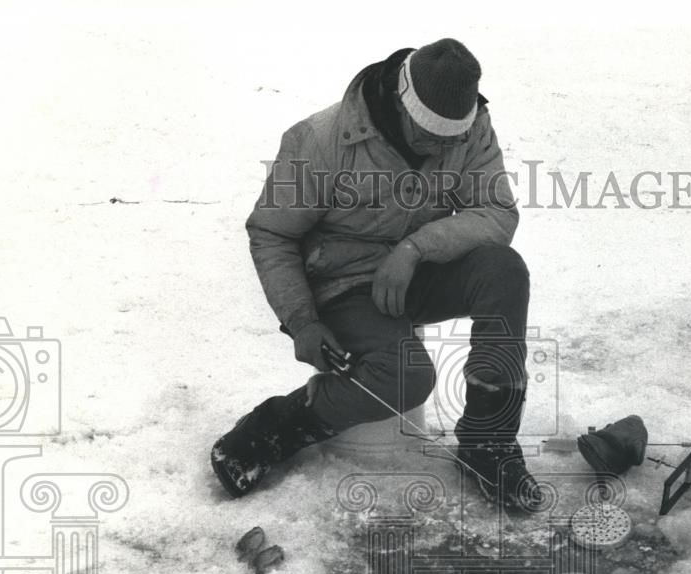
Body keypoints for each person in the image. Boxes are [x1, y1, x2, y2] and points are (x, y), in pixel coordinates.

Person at [211, 38, 540, 511]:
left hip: (418, 269)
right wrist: (302, 321)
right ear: (402, 106)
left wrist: (414, 249)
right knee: (406, 378)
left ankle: (488, 444)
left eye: (452, 140)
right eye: (431, 137)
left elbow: (496, 212)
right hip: (343, 282)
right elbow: (272, 234)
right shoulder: (320, 140)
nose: (442, 149)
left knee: (504, 271)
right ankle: (278, 424)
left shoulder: (471, 130)